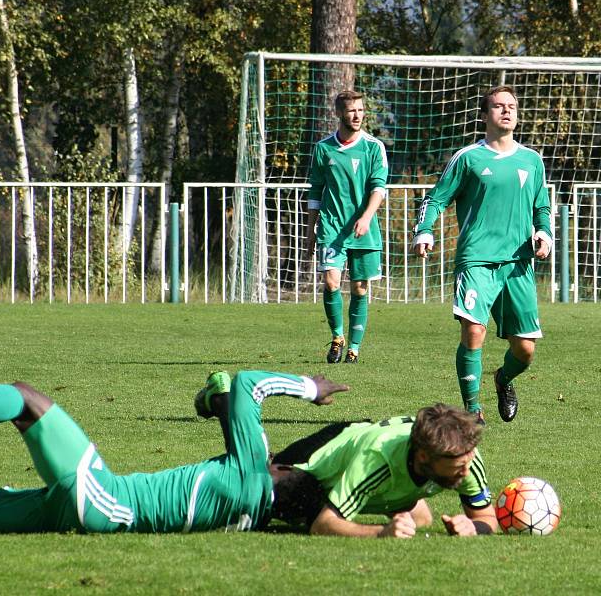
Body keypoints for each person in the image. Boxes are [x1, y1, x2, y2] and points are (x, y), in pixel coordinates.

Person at [0, 344, 347, 538]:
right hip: (86, 515)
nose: (283, 459)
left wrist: (309, 388)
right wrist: (214, 400)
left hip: (103, 498)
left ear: (282, 478)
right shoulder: (254, 512)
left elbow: (248, 386)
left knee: (24, 400)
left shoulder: (255, 472)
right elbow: (230, 402)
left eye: (288, 466)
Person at [412, 85, 552, 425]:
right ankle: (473, 410)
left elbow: (542, 208)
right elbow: (436, 199)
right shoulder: (468, 158)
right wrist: (424, 230)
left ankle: (503, 379)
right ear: (484, 115)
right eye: (498, 106)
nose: (506, 111)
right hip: (476, 259)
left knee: (526, 350)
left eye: (512, 107)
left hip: (518, 264)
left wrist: (544, 234)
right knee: (474, 331)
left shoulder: (531, 160)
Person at [205, 387, 498, 538]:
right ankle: (226, 403)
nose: (467, 467)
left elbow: (487, 518)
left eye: (469, 457)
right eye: (459, 462)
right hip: (321, 460)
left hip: (365, 441)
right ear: (424, 456)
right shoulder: (377, 461)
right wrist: (380, 533)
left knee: (420, 519)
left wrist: (476, 528)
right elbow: (324, 525)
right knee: (255, 483)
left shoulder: (463, 452)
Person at [306, 90, 388, 364]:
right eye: (352, 110)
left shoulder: (374, 147)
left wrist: (365, 217)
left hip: (365, 229)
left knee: (360, 289)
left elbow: (379, 187)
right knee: (331, 282)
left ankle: (354, 347)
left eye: (361, 110)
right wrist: (310, 230)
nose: (357, 115)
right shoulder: (323, 148)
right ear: (339, 113)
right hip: (331, 227)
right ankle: (337, 336)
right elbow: (315, 191)